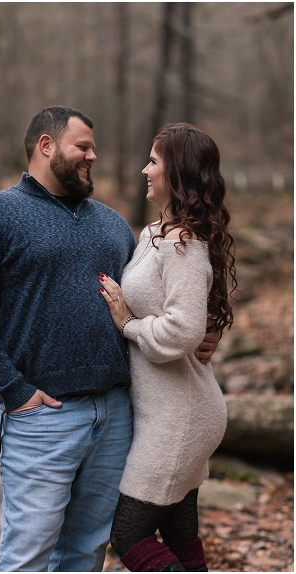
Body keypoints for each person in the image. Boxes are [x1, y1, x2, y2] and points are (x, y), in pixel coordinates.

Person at [0, 106, 219, 572]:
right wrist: (11, 388)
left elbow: (162, 294)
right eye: (83, 147)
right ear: (46, 146)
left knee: (86, 554)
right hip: (42, 416)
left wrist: (205, 332)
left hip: (117, 414)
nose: (93, 156)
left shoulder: (112, 224)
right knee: (27, 554)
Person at [99, 123, 236, 572]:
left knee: (127, 534)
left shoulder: (183, 244)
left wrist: (130, 325)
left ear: (176, 172)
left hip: (181, 417)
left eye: (154, 161)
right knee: (179, 529)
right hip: (172, 410)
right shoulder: (158, 233)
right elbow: (194, 314)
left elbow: (181, 330)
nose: (145, 170)